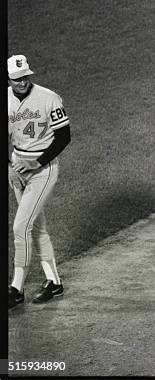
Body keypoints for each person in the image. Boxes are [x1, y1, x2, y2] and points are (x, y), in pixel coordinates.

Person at [8, 54, 71, 309]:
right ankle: (54, 282)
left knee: (20, 228)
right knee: (37, 228)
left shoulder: (49, 98)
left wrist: (38, 162)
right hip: (17, 171)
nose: (22, 82)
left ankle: (15, 289)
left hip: (43, 171)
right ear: (10, 78)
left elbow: (64, 136)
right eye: (17, 78)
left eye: (25, 77)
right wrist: (9, 168)